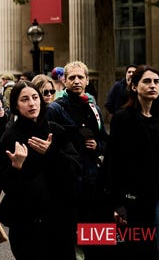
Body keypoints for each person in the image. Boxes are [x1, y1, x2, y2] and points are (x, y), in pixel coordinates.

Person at [0, 81, 81, 259]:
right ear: (16, 105)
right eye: (24, 99)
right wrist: (16, 167)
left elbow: (75, 170)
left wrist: (52, 153)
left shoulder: (55, 130)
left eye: (35, 98)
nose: (32, 103)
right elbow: (2, 183)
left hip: (60, 219)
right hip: (28, 224)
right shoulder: (10, 137)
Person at [105, 66, 159, 260]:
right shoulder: (122, 118)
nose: (153, 85)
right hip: (134, 199)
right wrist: (118, 203)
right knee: (141, 251)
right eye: (147, 81)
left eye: (156, 82)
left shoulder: (158, 117)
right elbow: (114, 162)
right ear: (134, 87)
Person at [45, 61, 107, 259]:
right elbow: (49, 145)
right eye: (72, 77)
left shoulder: (94, 109)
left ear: (87, 81)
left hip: (91, 180)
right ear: (64, 81)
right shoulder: (55, 109)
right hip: (67, 183)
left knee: (93, 237)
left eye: (80, 77)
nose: (76, 81)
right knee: (69, 240)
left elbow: (105, 140)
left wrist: (98, 146)